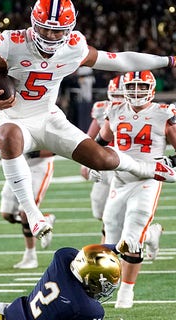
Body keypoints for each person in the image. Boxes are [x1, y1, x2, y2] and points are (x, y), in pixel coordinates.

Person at [0, 0, 176, 240]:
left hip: (47, 117)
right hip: (12, 118)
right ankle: (33, 214)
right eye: (44, 28)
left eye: (56, 30)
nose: (49, 34)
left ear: (69, 28)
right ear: (33, 23)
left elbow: (120, 60)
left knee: (101, 159)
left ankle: (149, 168)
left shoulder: (75, 48)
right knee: (8, 136)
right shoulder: (12, 44)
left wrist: (170, 61)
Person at [96, 70, 176, 308]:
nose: (137, 92)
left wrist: (172, 161)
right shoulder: (115, 110)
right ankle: (151, 234)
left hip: (148, 177)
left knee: (131, 238)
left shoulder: (162, 113)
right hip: (120, 179)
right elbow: (100, 142)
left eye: (141, 87)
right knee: (112, 238)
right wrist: (92, 162)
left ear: (152, 89)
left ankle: (126, 293)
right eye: (132, 87)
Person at [0, 147, 56, 269]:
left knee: (25, 213)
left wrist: (32, 153)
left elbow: (56, 148)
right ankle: (44, 220)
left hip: (39, 167)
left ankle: (31, 256)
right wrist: (0, 148)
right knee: (7, 214)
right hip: (18, 166)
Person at [80, 74, 125, 242]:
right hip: (103, 163)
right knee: (98, 208)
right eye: (116, 95)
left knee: (111, 213)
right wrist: (85, 161)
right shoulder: (102, 108)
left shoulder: (138, 113)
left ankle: (108, 247)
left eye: (122, 95)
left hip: (123, 164)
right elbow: (90, 137)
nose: (119, 99)